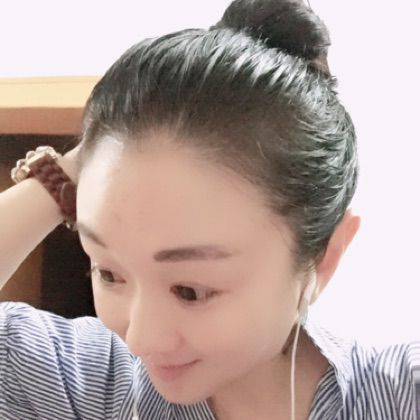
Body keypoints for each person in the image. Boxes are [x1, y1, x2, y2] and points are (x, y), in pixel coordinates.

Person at [0, 0, 419, 419]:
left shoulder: (399, 396)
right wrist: (73, 168)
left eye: (191, 291)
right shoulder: (95, 384)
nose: (141, 339)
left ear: (322, 258)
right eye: (108, 273)